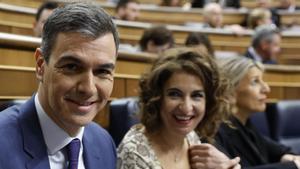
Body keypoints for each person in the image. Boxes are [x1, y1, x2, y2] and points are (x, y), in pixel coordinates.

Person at [0, 2, 119, 169]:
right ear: (41, 65)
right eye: (72, 67)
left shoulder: (104, 143)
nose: (89, 88)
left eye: (102, 71)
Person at [117, 47, 241, 169]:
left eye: (196, 95)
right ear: (156, 97)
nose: (186, 108)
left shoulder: (191, 137)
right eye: (175, 94)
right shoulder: (135, 153)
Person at [214, 56, 300, 169]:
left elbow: (281, 150)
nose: (266, 88)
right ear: (230, 91)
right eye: (255, 82)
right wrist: (293, 166)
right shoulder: (216, 131)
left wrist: (285, 157)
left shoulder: (245, 125)